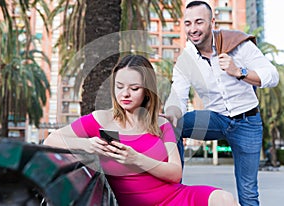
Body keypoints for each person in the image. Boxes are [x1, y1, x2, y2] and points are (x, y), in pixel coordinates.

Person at [44, 54, 239, 206]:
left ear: (147, 90)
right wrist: (88, 144)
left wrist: (135, 159)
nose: (125, 94)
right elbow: (51, 140)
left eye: (134, 88)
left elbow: (175, 173)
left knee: (225, 199)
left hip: (174, 197)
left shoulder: (160, 124)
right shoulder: (102, 119)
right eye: (119, 86)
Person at [164, 1, 279, 206]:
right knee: (175, 125)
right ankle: (175, 192)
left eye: (199, 22)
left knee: (248, 192)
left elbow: (272, 76)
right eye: (188, 23)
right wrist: (172, 113)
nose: (193, 29)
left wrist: (239, 72)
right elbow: (177, 96)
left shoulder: (238, 44)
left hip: (247, 122)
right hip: (216, 119)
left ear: (212, 22)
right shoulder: (186, 59)